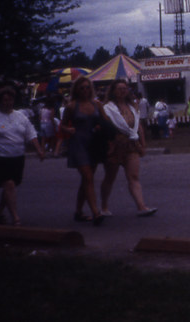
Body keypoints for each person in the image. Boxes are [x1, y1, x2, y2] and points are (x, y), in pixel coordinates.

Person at [100, 79, 158, 217]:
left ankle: (141, 206)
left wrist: (143, 144)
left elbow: (138, 127)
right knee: (110, 177)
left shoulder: (133, 107)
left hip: (131, 145)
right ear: (113, 91)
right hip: (114, 146)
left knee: (133, 176)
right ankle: (104, 207)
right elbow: (104, 128)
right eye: (119, 88)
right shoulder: (107, 108)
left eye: (125, 88)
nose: (122, 91)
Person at [0, 86, 45, 225]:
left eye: (10, 100)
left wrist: (39, 149)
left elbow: (31, 134)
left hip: (17, 157)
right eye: (4, 100)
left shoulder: (21, 117)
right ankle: (16, 217)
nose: (7, 103)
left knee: (10, 186)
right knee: (8, 184)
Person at [59, 76, 107, 225]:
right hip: (78, 144)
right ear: (76, 90)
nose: (85, 90)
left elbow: (105, 121)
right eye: (82, 88)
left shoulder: (97, 104)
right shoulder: (72, 106)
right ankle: (95, 212)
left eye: (87, 87)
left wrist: (101, 127)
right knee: (87, 177)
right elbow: (62, 125)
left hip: (93, 144)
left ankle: (78, 211)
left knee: (87, 179)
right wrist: (69, 129)